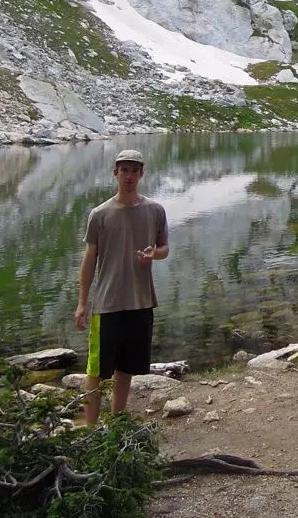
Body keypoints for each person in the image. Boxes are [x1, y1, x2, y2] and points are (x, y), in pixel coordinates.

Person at [74, 148, 169, 424]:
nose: (129, 176)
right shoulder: (100, 214)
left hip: (141, 301)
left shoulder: (155, 210)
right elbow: (89, 259)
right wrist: (82, 303)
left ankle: (117, 420)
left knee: (126, 367)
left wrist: (154, 254)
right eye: (124, 170)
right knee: (96, 369)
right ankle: (90, 429)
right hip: (108, 303)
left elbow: (164, 249)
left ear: (141, 174)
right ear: (115, 173)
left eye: (134, 170)